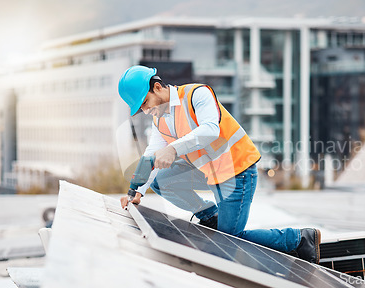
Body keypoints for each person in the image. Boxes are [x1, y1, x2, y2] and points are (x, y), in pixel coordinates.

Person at [118, 65, 321, 264]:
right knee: (161, 182)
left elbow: (210, 130)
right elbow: (151, 156)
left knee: (228, 242)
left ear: (158, 87)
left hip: (238, 171)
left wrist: (172, 149)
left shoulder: (197, 94)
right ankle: (211, 218)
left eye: (145, 103)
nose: (146, 111)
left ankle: (300, 238)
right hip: (213, 175)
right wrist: (137, 190)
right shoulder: (159, 121)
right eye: (141, 109)